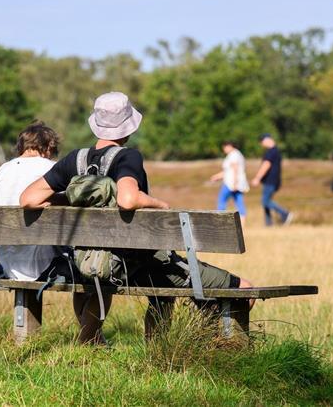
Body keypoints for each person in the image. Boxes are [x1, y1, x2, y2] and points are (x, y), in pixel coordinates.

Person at [20, 91, 253, 344]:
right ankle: (224, 350)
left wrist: (72, 198)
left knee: (165, 286)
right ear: (128, 127)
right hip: (133, 267)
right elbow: (127, 200)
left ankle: (163, 347)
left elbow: (28, 198)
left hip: (86, 265)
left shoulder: (73, 160)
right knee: (244, 288)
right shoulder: (127, 156)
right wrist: (160, 204)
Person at [0, 121, 60, 281]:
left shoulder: (2, 171)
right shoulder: (53, 169)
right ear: (48, 148)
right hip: (45, 263)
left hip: (9, 263)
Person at [251, 134, 293, 226]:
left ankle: (285, 214)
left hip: (270, 181)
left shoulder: (271, 152)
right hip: (273, 181)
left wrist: (257, 178)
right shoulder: (276, 151)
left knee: (265, 201)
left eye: (262, 142)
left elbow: (266, 165)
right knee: (266, 201)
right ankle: (268, 224)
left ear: (267, 140)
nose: (261, 144)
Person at [209, 140, 249, 227]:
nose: (224, 150)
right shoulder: (237, 154)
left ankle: (220, 222)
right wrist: (216, 177)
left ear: (229, 146)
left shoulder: (233, 155)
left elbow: (235, 169)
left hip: (230, 183)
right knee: (239, 202)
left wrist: (234, 183)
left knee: (221, 200)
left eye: (224, 147)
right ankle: (242, 224)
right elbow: (228, 171)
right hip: (236, 183)